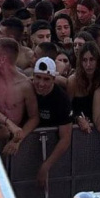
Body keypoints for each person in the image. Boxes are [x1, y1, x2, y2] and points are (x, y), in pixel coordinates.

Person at [0, 38, 39, 155]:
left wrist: (18, 139)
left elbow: (34, 117)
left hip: (15, 141)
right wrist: (8, 123)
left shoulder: (25, 85)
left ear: (3, 59)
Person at [31, 58, 73, 189]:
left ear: (54, 79)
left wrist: (46, 166)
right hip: (29, 147)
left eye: (46, 79)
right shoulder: (27, 88)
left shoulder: (61, 99)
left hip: (53, 151)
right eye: (38, 78)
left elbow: (65, 139)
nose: (41, 83)